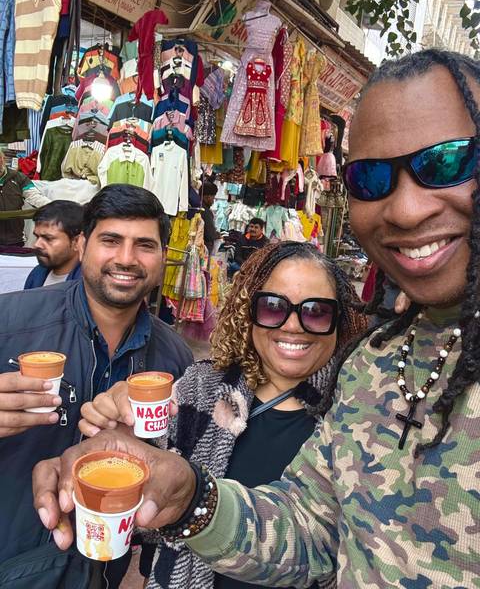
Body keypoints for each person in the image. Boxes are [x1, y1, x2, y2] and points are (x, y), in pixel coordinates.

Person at [33, 48, 480, 587]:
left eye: (448, 161)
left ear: (341, 323)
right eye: (370, 179)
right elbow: (315, 530)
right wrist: (190, 494)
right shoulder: (377, 366)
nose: (408, 209)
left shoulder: (334, 387)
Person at [78, 241, 368, 588]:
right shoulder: (198, 390)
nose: (293, 326)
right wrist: (125, 440)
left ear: (341, 321)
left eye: (317, 311)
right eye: (273, 307)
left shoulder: (359, 414)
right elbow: (148, 522)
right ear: (248, 312)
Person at [0, 185, 193, 584]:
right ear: (83, 244)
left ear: (161, 258)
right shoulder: (11, 321)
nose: (126, 259)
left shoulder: (174, 358)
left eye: (144, 245)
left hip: (102, 569)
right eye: (111, 240)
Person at [24, 200, 84, 288]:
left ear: (77, 242)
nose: (37, 244)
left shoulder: (90, 286)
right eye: (37, 237)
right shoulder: (36, 274)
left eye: (48, 239)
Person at [0, 147, 51, 248]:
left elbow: (34, 196)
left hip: (15, 239)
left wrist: (54, 206)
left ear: (3, 158)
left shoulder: (18, 177)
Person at [201, 182, 220, 255]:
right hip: (203, 247)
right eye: (213, 197)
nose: (213, 200)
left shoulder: (200, 207)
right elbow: (210, 234)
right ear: (207, 197)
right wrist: (217, 235)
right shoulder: (205, 211)